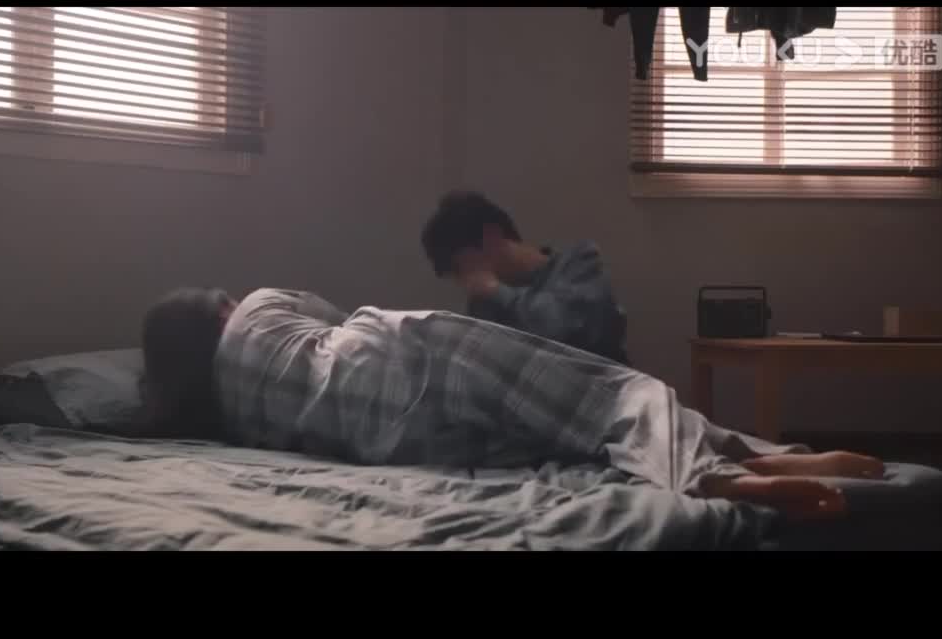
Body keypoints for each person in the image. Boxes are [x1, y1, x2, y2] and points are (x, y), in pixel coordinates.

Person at [142, 286, 897, 523]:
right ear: (217, 311)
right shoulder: (258, 308)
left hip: (392, 446)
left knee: (569, 436)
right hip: (405, 354)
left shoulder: (230, 418)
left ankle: (748, 456)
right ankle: (725, 471)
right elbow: (328, 313)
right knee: (605, 393)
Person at [420, 190, 629, 365]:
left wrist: (495, 289)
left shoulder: (580, 263)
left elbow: (566, 329)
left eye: (460, 268)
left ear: (491, 236)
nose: (465, 282)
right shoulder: (486, 303)